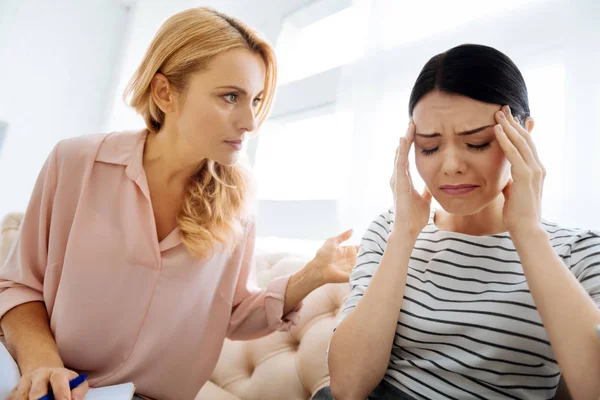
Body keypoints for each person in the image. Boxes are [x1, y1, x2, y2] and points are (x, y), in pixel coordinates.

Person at [0, 7, 358, 400]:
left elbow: (235, 314)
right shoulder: (75, 163)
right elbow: (18, 286)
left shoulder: (238, 200)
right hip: (49, 387)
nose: (250, 122)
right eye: (230, 97)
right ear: (165, 93)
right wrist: (43, 364)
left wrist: (314, 274)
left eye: (255, 100)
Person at [325, 44, 600, 400]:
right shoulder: (390, 229)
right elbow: (347, 386)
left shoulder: (579, 252)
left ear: (524, 134)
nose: (451, 165)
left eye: (478, 142)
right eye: (429, 147)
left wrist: (528, 233)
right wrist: (404, 235)